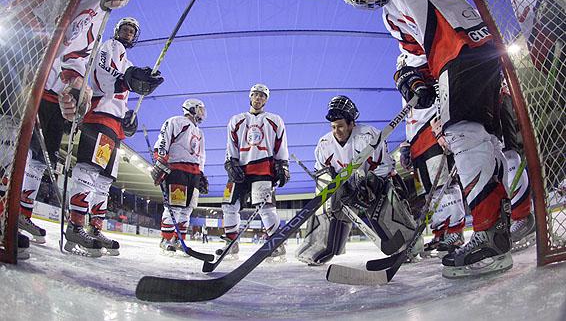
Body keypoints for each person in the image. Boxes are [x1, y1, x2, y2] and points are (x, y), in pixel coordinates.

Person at [299, 0, 512, 278]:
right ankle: (500, 227)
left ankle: (490, 237)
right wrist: (413, 80)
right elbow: (413, 56)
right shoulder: (391, 13)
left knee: (466, 134)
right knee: (480, 138)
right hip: (457, 53)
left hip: (460, 45)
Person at [17, 0, 141, 245]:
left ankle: (19, 213)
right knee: (14, 145)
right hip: (34, 80)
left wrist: (75, 81)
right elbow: (97, 73)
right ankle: (66, 222)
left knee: (36, 158)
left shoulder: (98, 3)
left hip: (57, 92)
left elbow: (77, 47)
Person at [65, 17, 163, 257]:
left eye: (132, 32)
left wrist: (127, 118)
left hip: (113, 123)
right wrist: (128, 79)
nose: (128, 34)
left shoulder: (126, 59)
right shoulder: (109, 46)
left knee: (105, 180)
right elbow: (102, 76)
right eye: (126, 30)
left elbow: (120, 92)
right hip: (99, 117)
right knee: (89, 170)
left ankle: (94, 228)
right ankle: (75, 226)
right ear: (118, 31)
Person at [296, 95, 418, 266]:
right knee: (325, 201)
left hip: (374, 188)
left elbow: (386, 165)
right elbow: (321, 174)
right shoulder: (324, 144)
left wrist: (371, 183)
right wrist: (331, 185)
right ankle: (318, 247)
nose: (336, 131)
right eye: (333, 127)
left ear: (352, 124)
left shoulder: (370, 136)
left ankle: (406, 245)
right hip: (345, 191)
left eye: (340, 126)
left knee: (384, 202)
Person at [397, 54, 466, 258]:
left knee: (443, 184)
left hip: (431, 130)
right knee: (428, 191)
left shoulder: (424, 58)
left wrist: (442, 122)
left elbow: (439, 90)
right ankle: (440, 231)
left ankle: (454, 231)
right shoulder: (407, 75)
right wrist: (407, 144)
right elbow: (410, 114)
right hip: (417, 139)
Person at [221, 84, 290, 259]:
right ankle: (231, 244)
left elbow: (280, 145)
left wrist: (283, 165)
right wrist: (230, 163)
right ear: (250, 97)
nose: (258, 98)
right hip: (240, 170)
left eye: (262, 96)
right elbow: (231, 145)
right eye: (255, 95)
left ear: (266, 100)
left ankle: (276, 245)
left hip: (263, 169)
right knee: (228, 206)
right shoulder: (236, 120)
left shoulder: (275, 120)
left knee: (266, 209)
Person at [151, 99, 208, 252]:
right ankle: (166, 239)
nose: (203, 113)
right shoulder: (176, 121)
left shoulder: (200, 132)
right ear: (192, 108)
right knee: (175, 207)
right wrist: (160, 161)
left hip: (194, 174)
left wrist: (201, 174)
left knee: (187, 209)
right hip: (178, 169)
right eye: (200, 109)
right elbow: (163, 141)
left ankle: (179, 240)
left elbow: (201, 155)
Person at [499, 82, 535, 251]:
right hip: (477, 100)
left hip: (493, 91)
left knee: (508, 155)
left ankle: (523, 217)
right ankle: (516, 217)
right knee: (498, 158)